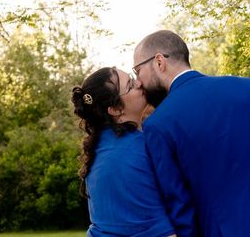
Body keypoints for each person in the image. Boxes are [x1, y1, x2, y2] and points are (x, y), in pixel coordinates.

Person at [133, 30, 250, 237]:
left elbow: (179, 203)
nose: (139, 81)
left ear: (159, 62)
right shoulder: (248, 89)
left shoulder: (159, 124)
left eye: (137, 70)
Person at [71, 67, 176, 237]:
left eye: (133, 78)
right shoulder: (139, 149)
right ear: (115, 109)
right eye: (130, 85)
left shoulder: (100, 150)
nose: (139, 83)